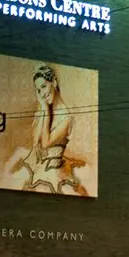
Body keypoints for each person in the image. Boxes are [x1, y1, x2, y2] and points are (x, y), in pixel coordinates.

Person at [10, 66, 88, 196]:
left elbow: (45, 143)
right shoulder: (43, 108)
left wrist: (46, 110)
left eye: (44, 86)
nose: (42, 94)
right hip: (38, 165)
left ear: (54, 82)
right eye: (38, 90)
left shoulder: (66, 118)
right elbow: (36, 140)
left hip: (54, 169)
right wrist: (43, 110)